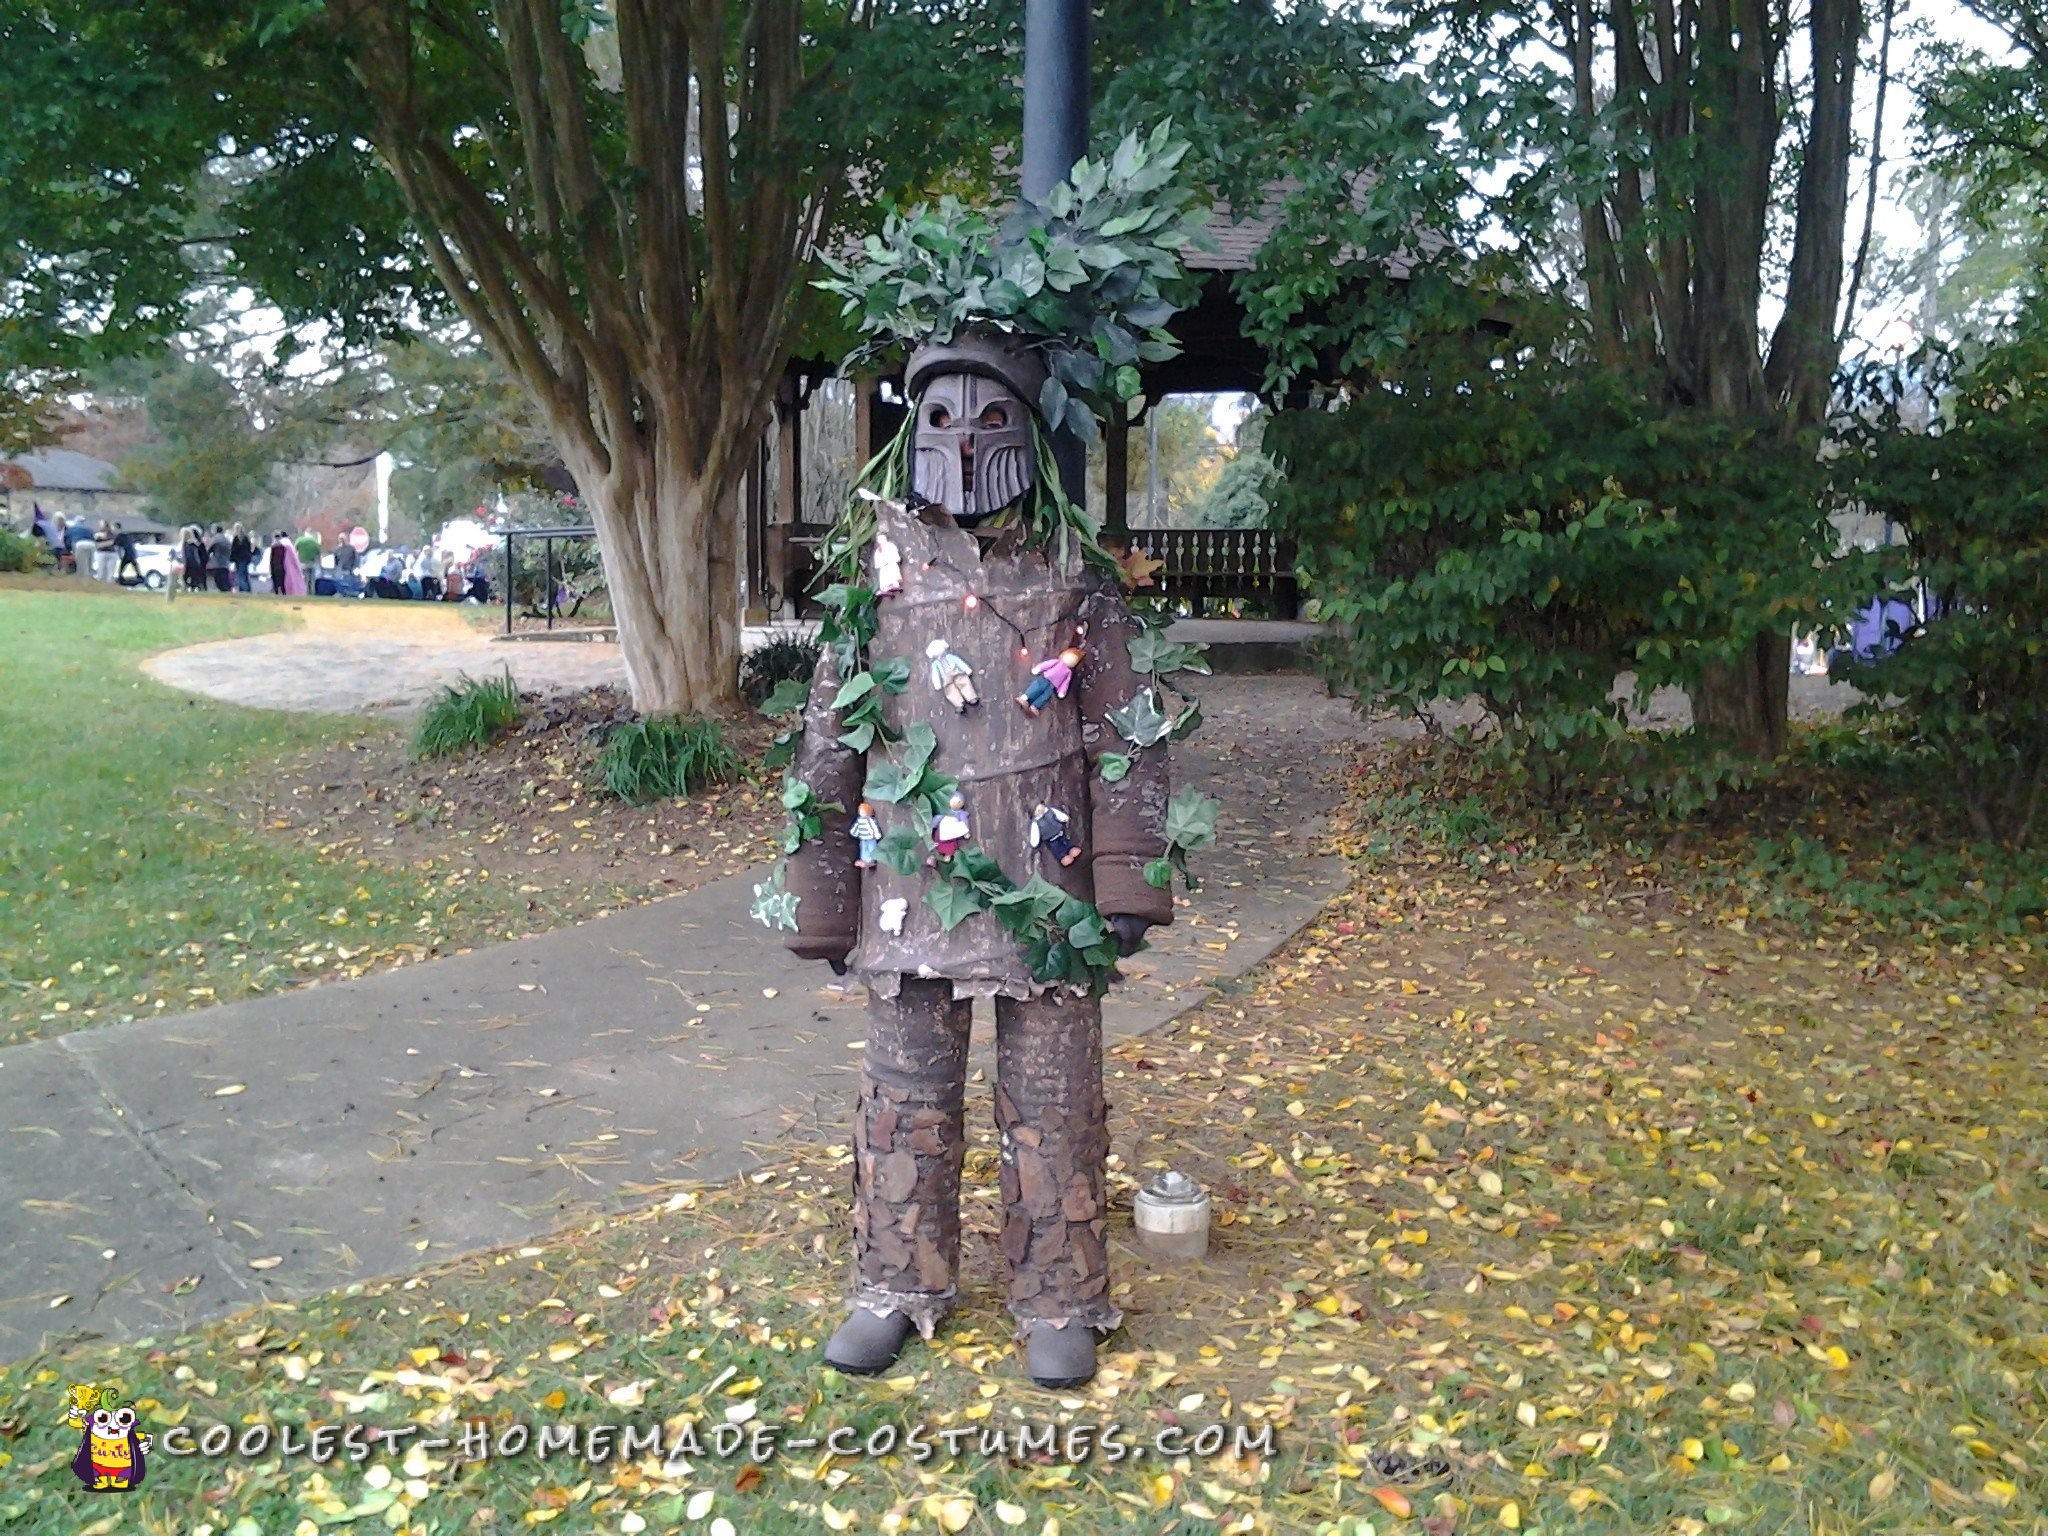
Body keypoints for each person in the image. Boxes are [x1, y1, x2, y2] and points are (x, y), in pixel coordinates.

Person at [773, 330, 1175, 1390]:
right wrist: (821, 893)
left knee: (1054, 1098)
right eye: (939, 417)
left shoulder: (1074, 572)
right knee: (903, 1097)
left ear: (1027, 432)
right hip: (909, 889)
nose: (960, 438)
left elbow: (1123, 727)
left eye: (987, 416)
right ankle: (895, 1282)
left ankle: (1060, 1292)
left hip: (1047, 893)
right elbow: (829, 736)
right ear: (910, 433)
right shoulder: (876, 574)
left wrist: (1127, 872)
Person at [206, 523, 233, 592]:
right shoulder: (226, 539)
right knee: (225, 580)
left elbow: (209, 550)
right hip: (226, 563)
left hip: (217, 563)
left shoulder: (215, 539)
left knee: (220, 582)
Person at [280, 531, 308, 596]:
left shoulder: (279, 543)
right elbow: (294, 558)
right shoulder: (289, 544)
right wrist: (299, 569)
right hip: (290, 567)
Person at [181, 525, 207, 591]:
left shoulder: (188, 545)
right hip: (197, 565)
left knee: (188, 580)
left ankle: (188, 588)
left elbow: (188, 557)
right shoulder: (196, 544)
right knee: (195, 581)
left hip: (191, 565)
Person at [229, 524, 254, 592]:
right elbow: (249, 549)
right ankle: (247, 589)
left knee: (240, 575)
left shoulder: (236, 539)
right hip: (246, 559)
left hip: (239, 559)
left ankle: (244, 589)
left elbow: (233, 550)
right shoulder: (246, 538)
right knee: (245, 575)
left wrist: (231, 559)